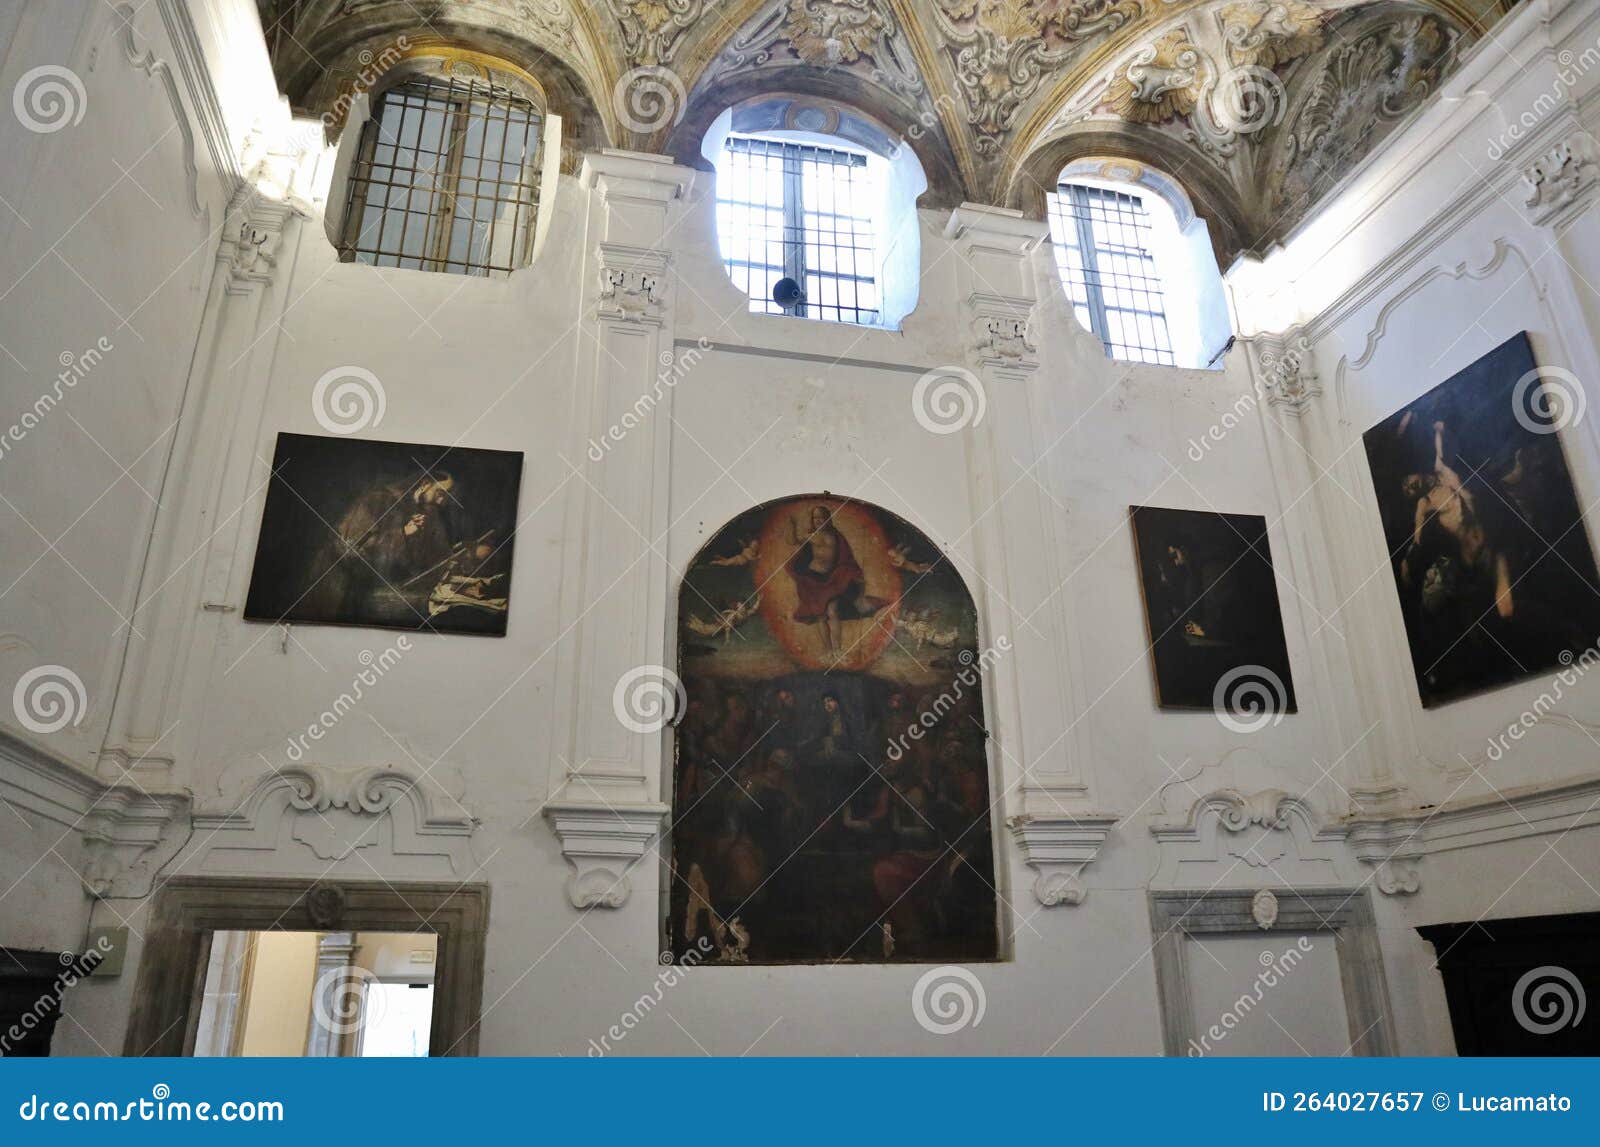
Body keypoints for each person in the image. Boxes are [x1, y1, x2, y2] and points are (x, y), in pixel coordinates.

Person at [785, 505, 890, 657]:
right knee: (821, 616)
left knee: (833, 611)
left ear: (828, 518)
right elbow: (792, 540)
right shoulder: (811, 536)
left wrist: (852, 575)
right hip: (813, 579)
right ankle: (828, 652)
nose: (818, 520)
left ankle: (838, 650)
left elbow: (846, 558)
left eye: (821, 517)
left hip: (832, 579)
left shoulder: (837, 536)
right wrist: (791, 525)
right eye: (815, 518)